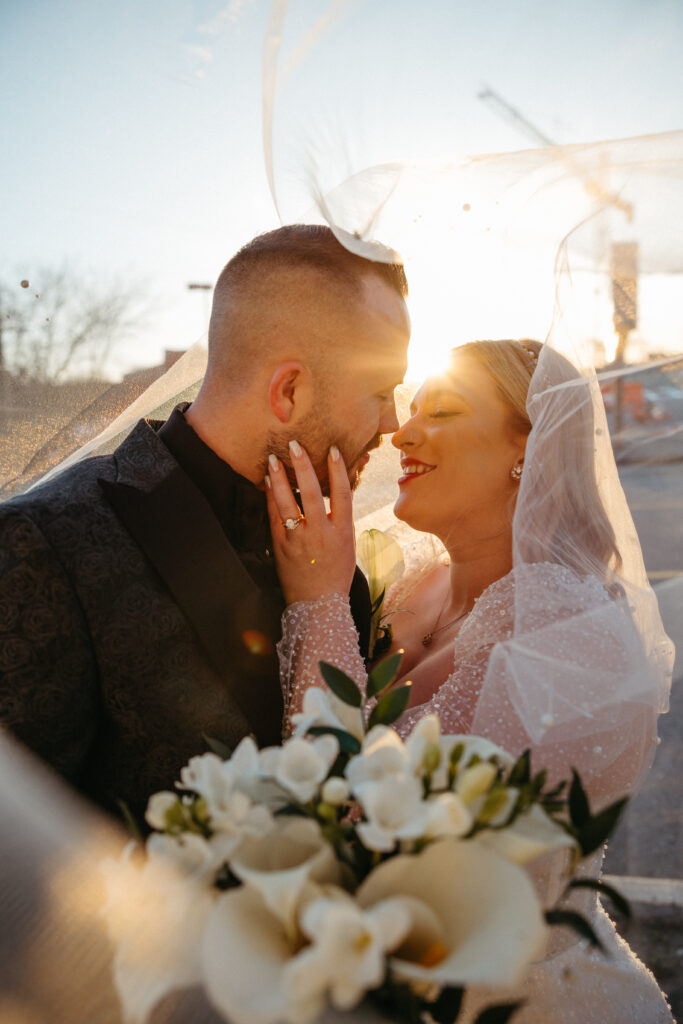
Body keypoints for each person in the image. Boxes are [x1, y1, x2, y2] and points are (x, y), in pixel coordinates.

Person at [267, 337, 674, 1024]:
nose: (404, 433)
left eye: (444, 411)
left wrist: (318, 602)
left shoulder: (571, 636)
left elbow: (388, 857)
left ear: (529, 448)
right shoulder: (409, 582)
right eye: (409, 408)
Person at [0, 224, 411, 820]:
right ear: (288, 391)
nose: (395, 421)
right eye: (381, 390)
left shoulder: (334, 565)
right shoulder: (42, 545)